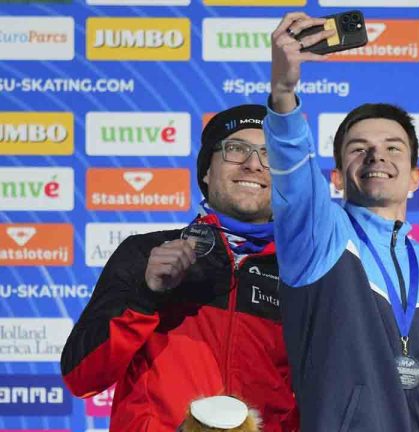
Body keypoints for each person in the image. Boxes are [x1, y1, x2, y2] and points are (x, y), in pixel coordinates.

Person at [262, 12, 419, 432]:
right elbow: (294, 176)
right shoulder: (320, 241)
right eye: (359, 148)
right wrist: (283, 92)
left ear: (415, 177)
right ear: (335, 177)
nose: (377, 157)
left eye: (393, 147)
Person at [60, 105, 298, 432]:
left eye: (268, 154)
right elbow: (81, 377)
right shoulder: (146, 253)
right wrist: (147, 296)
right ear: (206, 172)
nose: (253, 164)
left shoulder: (304, 274)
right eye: (236, 149)